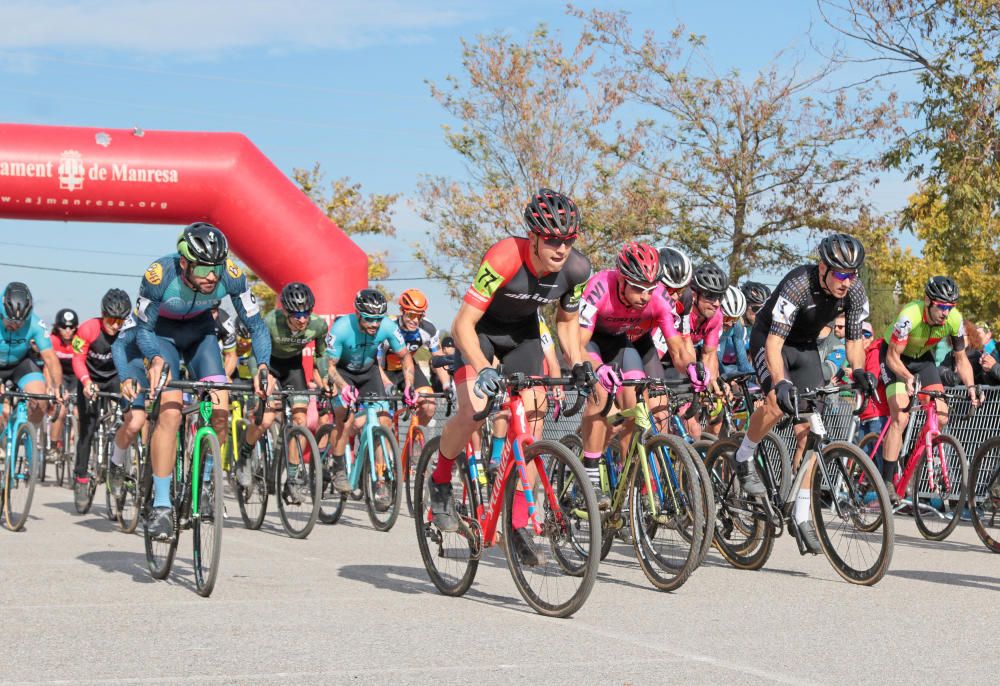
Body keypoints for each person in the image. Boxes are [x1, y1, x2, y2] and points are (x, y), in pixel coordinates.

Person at [427, 188, 595, 567]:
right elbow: (462, 323)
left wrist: (579, 360)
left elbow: (567, 324)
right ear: (533, 236)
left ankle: (518, 523)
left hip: (524, 336)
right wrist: (482, 368)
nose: (561, 248)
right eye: (552, 240)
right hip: (480, 332)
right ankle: (439, 481)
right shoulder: (503, 257)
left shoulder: (577, 270)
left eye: (568, 240)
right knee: (474, 409)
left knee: (531, 428)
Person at [120, 223, 272, 540]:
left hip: (201, 336)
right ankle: (162, 505)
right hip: (162, 336)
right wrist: (156, 358)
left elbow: (256, 327)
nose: (212, 276)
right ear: (185, 263)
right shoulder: (159, 274)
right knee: (171, 412)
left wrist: (262, 367)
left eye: (215, 267)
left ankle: (203, 484)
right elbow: (143, 330)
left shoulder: (231, 274)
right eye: (204, 268)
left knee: (220, 407)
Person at [732, 233, 875, 554]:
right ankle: (743, 455)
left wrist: (861, 370)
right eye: (840, 273)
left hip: (806, 347)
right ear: (823, 267)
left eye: (852, 274)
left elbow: (854, 341)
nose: (846, 281)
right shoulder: (798, 284)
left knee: (809, 431)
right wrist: (780, 382)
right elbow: (773, 344)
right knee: (775, 403)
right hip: (770, 340)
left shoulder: (854, 291)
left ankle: (801, 514)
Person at [577, 242, 678, 508]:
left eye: (650, 289)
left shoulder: (659, 298)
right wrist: (597, 369)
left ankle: (627, 479)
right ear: (622, 279)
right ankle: (589, 475)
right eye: (638, 288)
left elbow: (678, 345)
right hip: (592, 344)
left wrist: (692, 367)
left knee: (636, 409)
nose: (645, 296)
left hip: (622, 345)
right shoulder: (599, 287)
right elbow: (577, 343)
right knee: (600, 395)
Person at [878, 276, 980, 501]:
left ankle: (910, 458)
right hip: (894, 358)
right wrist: (906, 377)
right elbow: (893, 357)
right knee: (901, 416)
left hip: (922, 358)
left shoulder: (954, 320)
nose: (946, 312)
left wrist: (971, 387)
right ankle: (886, 480)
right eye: (942, 306)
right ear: (928, 301)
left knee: (941, 416)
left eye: (950, 307)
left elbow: (961, 360)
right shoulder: (910, 316)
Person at [236, 282, 329, 504]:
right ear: (286, 311)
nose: (302, 319)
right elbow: (254, 353)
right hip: (266, 363)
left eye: (306, 313)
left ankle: (293, 479)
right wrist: (261, 377)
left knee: (300, 421)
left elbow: (321, 354)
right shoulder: (270, 321)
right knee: (265, 419)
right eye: (297, 314)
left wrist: (324, 378)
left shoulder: (318, 325)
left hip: (293, 368)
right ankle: (245, 457)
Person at [323, 288, 415, 511]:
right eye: (369, 319)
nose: (374, 324)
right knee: (345, 418)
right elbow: (330, 367)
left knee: (384, 420)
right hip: (343, 372)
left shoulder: (388, 327)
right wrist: (343, 387)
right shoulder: (342, 327)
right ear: (358, 314)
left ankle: (380, 480)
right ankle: (336, 465)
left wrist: (409, 386)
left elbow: (406, 357)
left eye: (378, 319)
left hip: (368, 372)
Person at [70, 289, 147, 512]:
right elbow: (77, 359)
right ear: (102, 314)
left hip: (115, 377)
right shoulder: (87, 329)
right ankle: (82, 479)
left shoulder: (130, 331)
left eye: (120, 321)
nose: (115, 326)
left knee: (132, 417)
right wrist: (85, 382)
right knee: (88, 427)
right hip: (90, 378)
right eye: (111, 320)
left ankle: (119, 459)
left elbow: (136, 358)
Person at [380, 288, 450, 430]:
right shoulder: (387, 327)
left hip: (409, 368)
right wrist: (386, 384)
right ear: (402, 310)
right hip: (384, 370)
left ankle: (415, 438)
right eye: (411, 315)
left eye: (420, 316)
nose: (415, 320)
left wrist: (447, 385)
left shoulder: (428, 329)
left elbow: (439, 359)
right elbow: (376, 363)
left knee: (429, 406)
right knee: (385, 418)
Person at [0, 282, 63, 435]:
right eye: (10, 321)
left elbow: (50, 357)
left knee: (41, 399)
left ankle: (26, 432)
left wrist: (57, 388)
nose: (14, 326)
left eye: (19, 323)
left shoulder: (35, 324)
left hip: (21, 364)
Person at [48, 308, 79, 457]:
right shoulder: (53, 340)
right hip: (60, 377)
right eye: (64, 327)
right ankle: (54, 446)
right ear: (57, 327)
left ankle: (77, 438)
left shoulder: (78, 341)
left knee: (78, 412)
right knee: (60, 411)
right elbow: (48, 367)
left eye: (71, 327)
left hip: (76, 376)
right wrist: (51, 386)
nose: (68, 331)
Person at [718, 286, 753, 376]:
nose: (730, 323)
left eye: (735, 318)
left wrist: (757, 378)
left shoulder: (735, 324)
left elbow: (743, 364)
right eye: (727, 317)